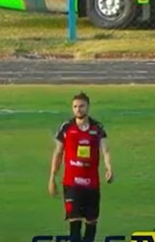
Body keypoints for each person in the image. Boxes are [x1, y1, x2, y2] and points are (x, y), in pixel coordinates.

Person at [48, 92, 114, 242]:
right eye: (75, 106)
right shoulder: (66, 128)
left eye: (81, 106)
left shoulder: (97, 128)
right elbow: (58, 153)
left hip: (91, 185)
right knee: (74, 227)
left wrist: (109, 168)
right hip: (72, 184)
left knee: (91, 225)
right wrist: (52, 178)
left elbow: (106, 150)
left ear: (88, 107)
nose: (78, 109)